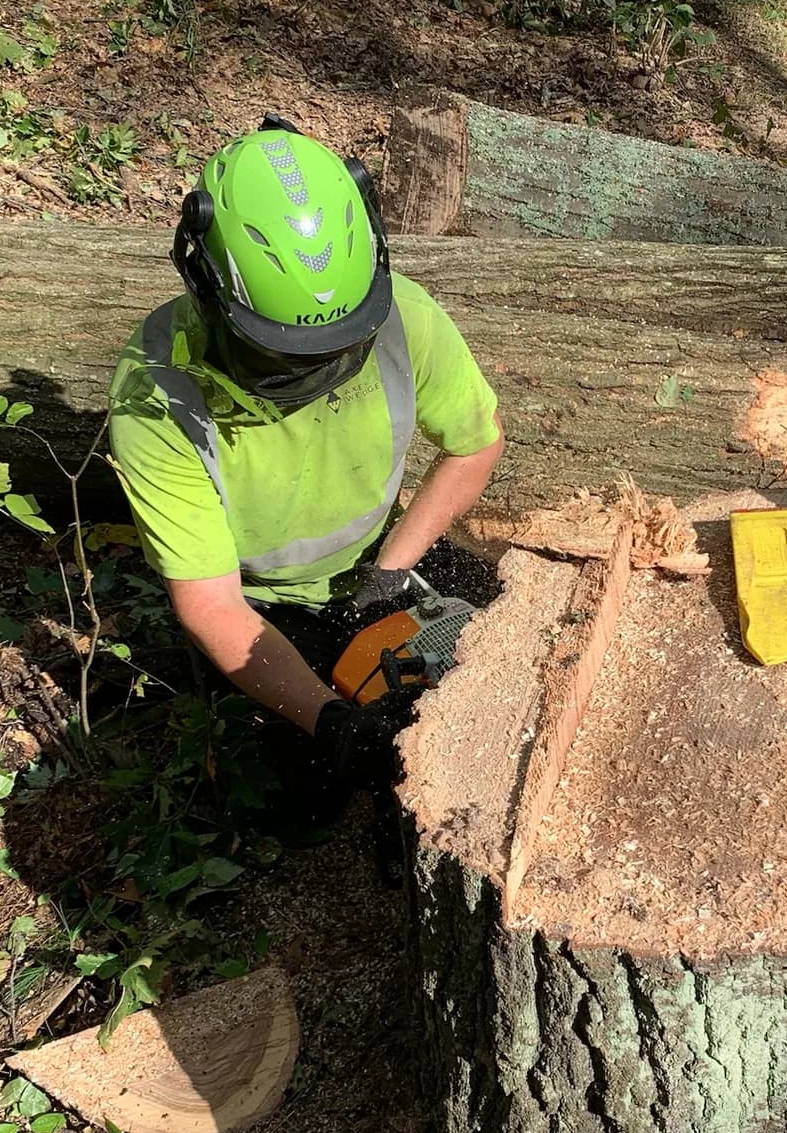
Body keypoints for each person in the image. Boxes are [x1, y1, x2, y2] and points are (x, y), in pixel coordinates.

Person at [106, 117, 505, 792]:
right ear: (206, 290)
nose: (311, 375)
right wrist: (326, 720)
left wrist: (391, 572)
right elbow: (210, 603)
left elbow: (475, 446)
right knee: (294, 797)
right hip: (255, 605)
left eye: (337, 347)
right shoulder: (157, 395)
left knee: (503, 672)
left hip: (381, 561)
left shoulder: (406, 321)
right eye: (279, 353)